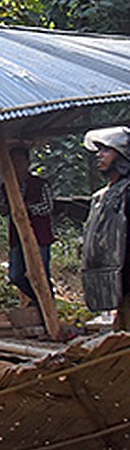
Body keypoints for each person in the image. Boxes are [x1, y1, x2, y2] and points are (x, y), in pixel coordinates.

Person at [81, 126, 130, 328]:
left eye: (106, 150)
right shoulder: (104, 195)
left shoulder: (127, 192)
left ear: (122, 155)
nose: (99, 156)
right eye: (98, 150)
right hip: (120, 284)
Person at [0, 146, 54, 306]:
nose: (16, 165)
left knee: (41, 272)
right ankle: (38, 299)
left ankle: (48, 303)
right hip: (17, 237)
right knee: (16, 275)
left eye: (20, 161)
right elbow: (1, 208)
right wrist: (9, 208)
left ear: (27, 163)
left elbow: (47, 207)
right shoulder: (6, 186)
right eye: (13, 162)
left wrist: (27, 208)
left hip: (39, 236)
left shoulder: (40, 184)